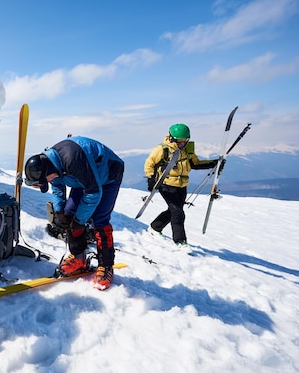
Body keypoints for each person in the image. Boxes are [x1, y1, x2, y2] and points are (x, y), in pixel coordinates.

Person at [24, 136, 125, 290]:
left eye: (45, 180)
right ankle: (79, 258)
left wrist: (80, 220)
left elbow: (93, 193)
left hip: (108, 175)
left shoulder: (72, 160)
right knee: (69, 213)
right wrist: (59, 211)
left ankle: (106, 266)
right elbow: (57, 184)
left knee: (100, 220)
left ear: (47, 171)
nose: (48, 183)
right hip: (85, 177)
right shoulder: (51, 164)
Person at [144, 123, 220, 251]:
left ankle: (155, 227)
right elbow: (149, 164)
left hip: (182, 185)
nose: (182, 144)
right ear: (172, 139)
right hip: (166, 184)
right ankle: (180, 242)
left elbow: (194, 164)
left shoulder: (187, 149)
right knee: (178, 213)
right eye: (179, 142)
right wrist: (151, 179)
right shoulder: (162, 149)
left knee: (174, 210)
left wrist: (213, 163)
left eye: (185, 141)